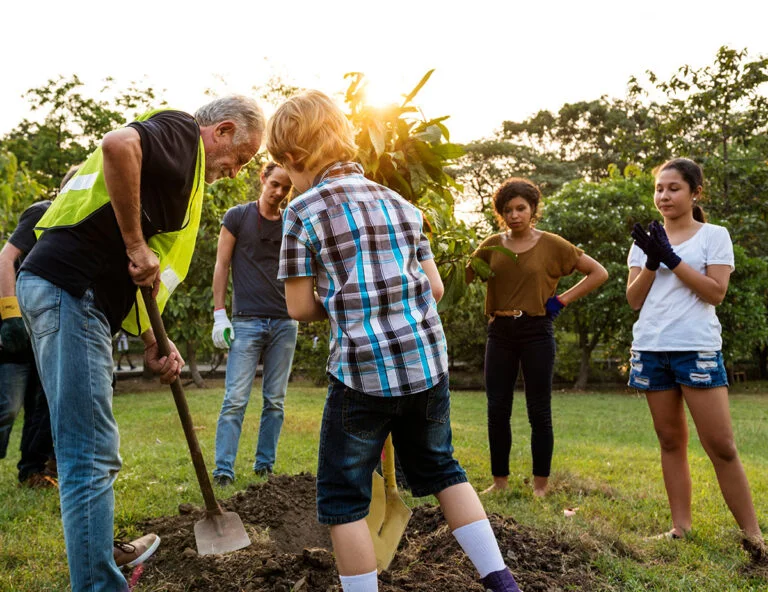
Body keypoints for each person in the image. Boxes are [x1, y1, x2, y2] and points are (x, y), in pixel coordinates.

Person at [269, 90, 521, 592]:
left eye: (283, 167)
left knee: (343, 497)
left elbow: (298, 308)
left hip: (362, 374)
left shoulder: (302, 212)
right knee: (445, 470)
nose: (286, 180)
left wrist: (342, 302)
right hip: (427, 364)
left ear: (295, 158)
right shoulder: (400, 203)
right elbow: (436, 287)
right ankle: (501, 582)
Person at [16, 95, 265, 591]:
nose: (236, 172)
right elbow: (117, 145)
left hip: (77, 295)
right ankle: (99, 583)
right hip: (71, 289)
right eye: (240, 158)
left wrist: (154, 340)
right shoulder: (181, 134)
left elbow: (142, 276)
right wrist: (134, 242)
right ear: (223, 130)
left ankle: (98, 556)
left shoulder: (184, 179)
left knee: (89, 446)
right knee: (90, 451)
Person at [626, 157, 766, 563]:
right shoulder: (644, 241)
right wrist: (652, 260)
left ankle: (754, 536)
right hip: (651, 348)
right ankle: (680, 527)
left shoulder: (713, 236)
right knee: (671, 441)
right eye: (659, 189)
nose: (664, 196)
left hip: (696, 348)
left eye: (674, 188)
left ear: (695, 193)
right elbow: (635, 300)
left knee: (721, 445)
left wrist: (672, 259)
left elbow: (714, 292)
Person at [466, 178, 608, 497]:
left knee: (538, 410)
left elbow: (599, 272)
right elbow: (464, 275)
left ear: (533, 210)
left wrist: (561, 300)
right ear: (500, 214)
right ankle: (499, 482)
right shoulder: (490, 245)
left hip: (537, 331)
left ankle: (540, 486)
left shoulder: (553, 244)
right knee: (497, 408)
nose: (514, 215)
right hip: (500, 332)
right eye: (508, 210)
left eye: (521, 208)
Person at [211, 161, 297, 486]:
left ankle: (264, 467)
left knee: (275, 400)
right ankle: (223, 470)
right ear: (262, 179)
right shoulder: (238, 217)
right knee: (235, 398)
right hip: (246, 321)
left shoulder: (291, 222)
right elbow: (221, 266)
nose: (278, 192)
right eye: (274, 184)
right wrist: (220, 314)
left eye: (285, 188)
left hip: (285, 322)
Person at [0, 167, 80, 489]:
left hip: (44, 325)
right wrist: (10, 315)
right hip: (15, 327)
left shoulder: (74, 227)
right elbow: (5, 260)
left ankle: (32, 471)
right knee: (6, 406)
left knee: (43, 405)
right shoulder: (43, 212)